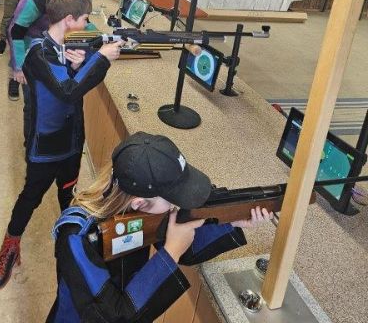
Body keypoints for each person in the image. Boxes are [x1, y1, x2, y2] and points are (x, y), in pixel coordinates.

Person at [47, 132, 273, 322]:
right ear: (139, 202)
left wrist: (231, 221)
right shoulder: (76, 237)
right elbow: (113, 316)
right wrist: (171, 252)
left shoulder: (140, 211)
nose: (176, 207)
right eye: (171, 200)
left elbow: (186, 246)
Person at [0, 0, 123, 290]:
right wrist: (101, 59)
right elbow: (67, 91)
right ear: (68, 19)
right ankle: (10, 245)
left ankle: (72, 250)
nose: (87, 24)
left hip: (71, 143)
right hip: (45, 147)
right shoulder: (38, 52)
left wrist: (77, 65)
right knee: (30, 197)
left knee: (68, 196)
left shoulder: (63, 47)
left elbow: (69, 79)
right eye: (85, 19)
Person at [6, 0, 92, 103]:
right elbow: (15, 30)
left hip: (53, 50)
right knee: (33, 103)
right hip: (32, 52)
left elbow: (77, 15)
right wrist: (18, 67)